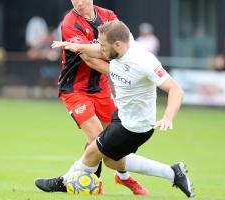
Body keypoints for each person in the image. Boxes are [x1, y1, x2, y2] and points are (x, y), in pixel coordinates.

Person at [48, 20, 195, 197]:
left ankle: (64, 182)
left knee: (91, 154)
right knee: (111, 161)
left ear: (117, 44)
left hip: (134, 127)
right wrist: (74, 45)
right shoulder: (120, 47)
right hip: (122, 115)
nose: (101, 50)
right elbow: (101, 56)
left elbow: (175, 89)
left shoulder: (144, 61)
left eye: (103, 46)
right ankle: (173, 173)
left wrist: (168, 118)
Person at [34, 0, 148, 195]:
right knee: (97, 137)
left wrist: (112, 54)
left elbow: (125, 47)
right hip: (75, 89)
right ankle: (95, 181)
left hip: (101, 88)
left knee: (115, 138)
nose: (78, 2)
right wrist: (112, 55)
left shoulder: (109, 16)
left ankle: (122, 177)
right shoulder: (70, 22)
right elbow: (87, 56)